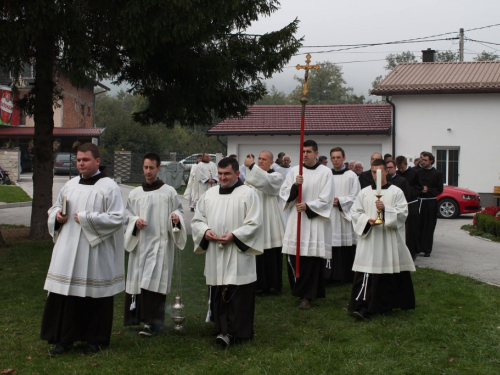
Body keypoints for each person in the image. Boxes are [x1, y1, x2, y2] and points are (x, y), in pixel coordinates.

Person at [41, 143, 125, 355]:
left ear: (97, 161)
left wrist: (88, 218)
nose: (80, 163)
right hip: (67, 250)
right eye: (78, 160)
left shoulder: (109, 187)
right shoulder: (70, 185)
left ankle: (93, 340)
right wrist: (57, 216)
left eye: (85, 160)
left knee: (93, 296)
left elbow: (117, 219)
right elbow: (55, 207)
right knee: (65, 295)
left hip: (94, 252)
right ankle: (63, 340)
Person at [192, 157, 263, 347]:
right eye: (220, 174)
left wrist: (234, 235)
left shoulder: (248, 194)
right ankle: (222, 329)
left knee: (237, 291)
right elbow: (198, 220)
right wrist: (206, 231)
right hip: (216, 250)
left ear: (237, 174)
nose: (222, 178)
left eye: (227, 174)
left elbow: (255, 223)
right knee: (218, 289)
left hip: (238, 252)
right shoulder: (210, 194)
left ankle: (236, 331)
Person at [123, 153, 187, 337]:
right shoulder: (135, 194)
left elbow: (179, 211)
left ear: (159, 169)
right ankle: (137, 318)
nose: (148, 171)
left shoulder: (168, 192)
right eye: (145, 167)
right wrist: (135, 221)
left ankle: (152, 322)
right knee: (139, 281)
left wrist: (176, 218)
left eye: (152, 168)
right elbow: (127, 215)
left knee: (152, 282)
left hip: (160, 245)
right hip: (140, 244)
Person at [349, 159, 415, 321]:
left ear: (386, 171)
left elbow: (403, 213)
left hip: (388, 239)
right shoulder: (364, 192)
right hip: (370, 239)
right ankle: (362, 306)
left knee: (387, 272)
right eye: (373, 172)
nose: (376, 175)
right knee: (366, 272)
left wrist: (386, 210)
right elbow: (355, 213)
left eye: (379, 171)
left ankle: (386, 305)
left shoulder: (396, 192)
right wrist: (366, 220)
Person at [280, 140, 334, 310]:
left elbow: (327, 197)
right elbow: (284, 193)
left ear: (316, 153)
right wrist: (296, 186)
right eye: (303, 151)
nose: (305, 154)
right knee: (296, 257)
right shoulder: (295, 171)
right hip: (297, 219)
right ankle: (298, 289)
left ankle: (307, 295)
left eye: (309, 151)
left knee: (311, 258)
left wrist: (309, 206)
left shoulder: (325, 172)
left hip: (313, 220)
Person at [244, 151, 285, 296]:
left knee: (270, 254)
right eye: (259, 159)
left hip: (270, 220)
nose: (260, 161)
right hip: (254, 219)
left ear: (271, 162)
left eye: (264, 159)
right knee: (256, 253)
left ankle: (271, 284)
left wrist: (252, 166)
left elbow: (266, 183)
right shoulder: (252, 177)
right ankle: (257, 283)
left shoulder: (276, 176)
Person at [325, 147, 361, 283]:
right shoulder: (327, 174)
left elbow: (356, 196)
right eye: (333, 157)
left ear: (344, 158)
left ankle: (346, 275)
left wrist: (340, 201)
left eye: (338, 157)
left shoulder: (351, 175)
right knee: (331, 243)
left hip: (344, 216)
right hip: (329, 215)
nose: (336, 160)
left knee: (346, 246)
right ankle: (329, 276)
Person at [396, 155, 423, 260]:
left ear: (406, 164)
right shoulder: (398, 174)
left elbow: (419, 187)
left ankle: (414, 250)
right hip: (401, 204)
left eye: (402, 168)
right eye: (399, 168)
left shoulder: (414, 173)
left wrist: (408, 191)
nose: (401, 170)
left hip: (411, 203)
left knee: (412, 229)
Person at [417, 152, 443, 257]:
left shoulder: (437, 173)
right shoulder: (418, 172)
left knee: (429, 226)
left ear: (431, 161)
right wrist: (420, 190)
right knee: (418, 226)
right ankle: (417, 248)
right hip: (420, 201)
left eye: (425, 160)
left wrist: (428, 190)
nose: (423, 162)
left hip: (430, 202)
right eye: (421, 160)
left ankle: (427, 249)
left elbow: (439, 189)